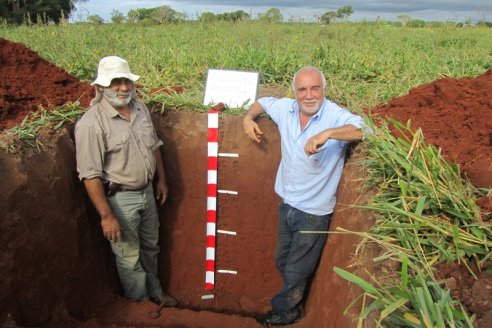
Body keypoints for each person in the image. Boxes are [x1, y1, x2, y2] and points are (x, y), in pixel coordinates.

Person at [243, 67, 365, 326]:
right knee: (283, 259)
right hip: (287, 204)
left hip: (314, 213)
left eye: (315, 88)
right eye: (302, 89)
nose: (309, 95)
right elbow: (263, 103)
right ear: (295, 92)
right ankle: (292, 297)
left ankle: (287, 312)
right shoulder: (286, 110)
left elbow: (363, 129)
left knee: (297, 269)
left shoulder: (333, 115)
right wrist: (247, 118)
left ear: (324, 89)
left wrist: (328, 133)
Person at [75, 56, 177, 307]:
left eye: (126, 81)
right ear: (100, 87)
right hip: (121, 199)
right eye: (115, 82)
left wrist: (161, 179)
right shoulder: (91, 123)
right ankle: (140, 304)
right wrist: (107, 216)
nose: (123, 88)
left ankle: (155, 292)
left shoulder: (140, 107)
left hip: (147, 193)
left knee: (150, 247)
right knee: (128, 255)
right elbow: (90, 175)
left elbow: (154, 145)